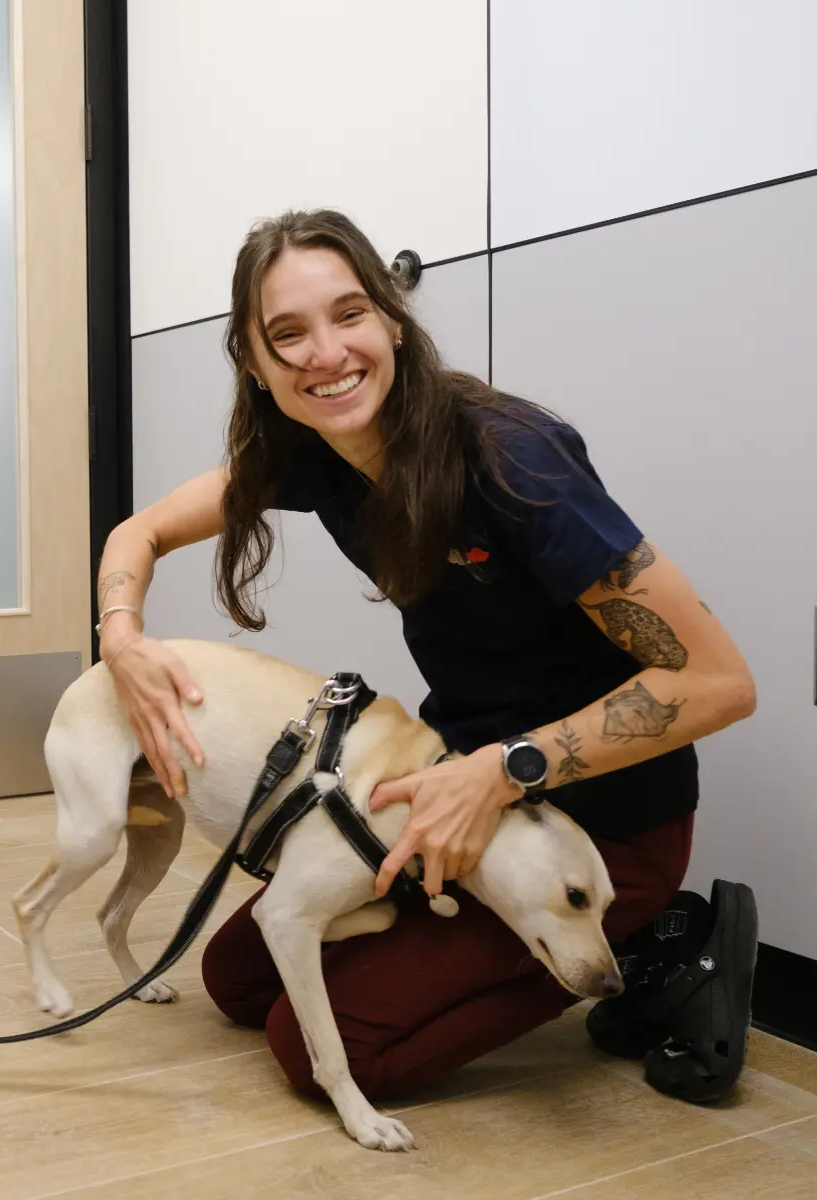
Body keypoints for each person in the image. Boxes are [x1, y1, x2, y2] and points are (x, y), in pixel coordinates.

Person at [93, 209, 757, 1102]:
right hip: (444, 797)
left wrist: (507, 770)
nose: (325, 353)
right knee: (237, 983)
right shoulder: (312, 452)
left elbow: (718, 682)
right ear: (254, 363)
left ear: (392, 322)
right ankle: (635, 944)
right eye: (287, 334)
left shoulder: (514, 461)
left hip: (599, 822)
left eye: (349, 314)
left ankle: (663, 945)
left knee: (323, 1056)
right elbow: (141, 531)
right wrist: (122, 637)